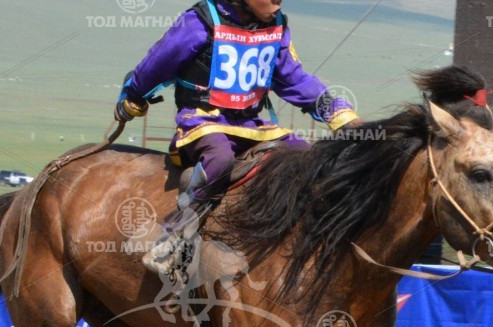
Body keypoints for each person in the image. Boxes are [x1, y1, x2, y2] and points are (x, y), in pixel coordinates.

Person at [114, 0, 360, 273]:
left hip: (252, 125)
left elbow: (295, 79)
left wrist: (339, 115)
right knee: (220, 159)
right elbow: (157, 63)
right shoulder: (199, 22)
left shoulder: (276, 26)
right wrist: (133, 95)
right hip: (202, 122)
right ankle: (174, 236)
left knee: (304, 158)